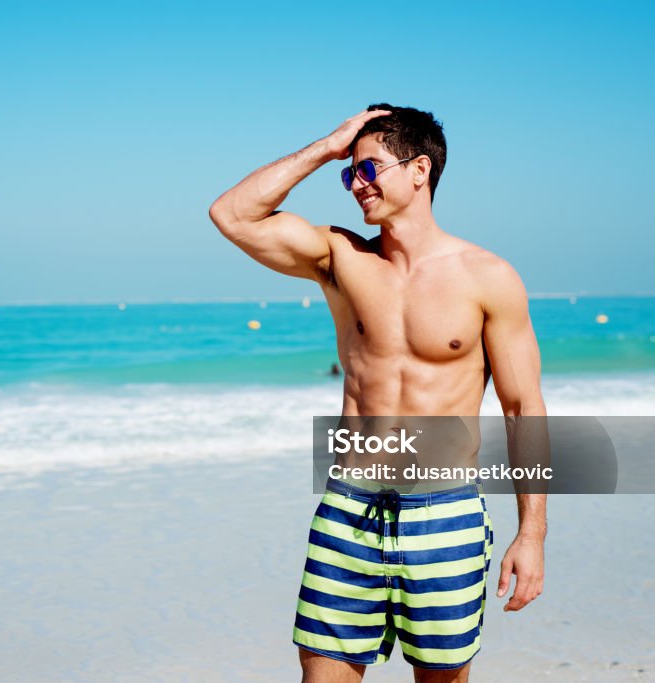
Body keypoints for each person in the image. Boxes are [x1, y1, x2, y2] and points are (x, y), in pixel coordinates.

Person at [208, 105, 547, 683]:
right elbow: (232, 215)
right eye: (350, 174)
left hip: (446, 513)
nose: (354, 185)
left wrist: (532, 533)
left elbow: (523, 410)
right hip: (348, 512)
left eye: (368, 169)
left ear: (419, 170)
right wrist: (329, 147)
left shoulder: (488, 277)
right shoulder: (342, 258)